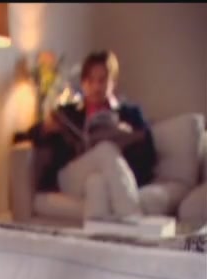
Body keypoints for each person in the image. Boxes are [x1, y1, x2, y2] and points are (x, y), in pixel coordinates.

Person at [26, 50, 158, 220]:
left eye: (102, 80)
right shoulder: (69, 112)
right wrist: (45, 129)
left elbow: (149, 152)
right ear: (83, 83)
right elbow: (29, 135)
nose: (96, 87)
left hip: (107, 177)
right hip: (71, 177)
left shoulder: (130, 114)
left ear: (113, 82)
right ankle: (132, 216)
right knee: (105, 150)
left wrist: (126, 134)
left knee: (96, 184)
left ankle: (99, 233)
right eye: (90, 81)